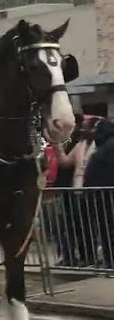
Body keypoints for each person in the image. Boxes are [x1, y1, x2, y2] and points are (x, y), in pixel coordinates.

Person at [51, 114, 101, 266]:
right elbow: (65, 161)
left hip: (93, 188)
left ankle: (90, 256)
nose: (84, 128)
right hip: (77, 189)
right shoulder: (81, 144)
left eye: (88, 126)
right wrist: (56, 145)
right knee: (76, 225)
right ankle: (81, 256)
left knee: (90, 226)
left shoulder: (100, 144)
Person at [83, 118, 114, 269]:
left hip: (104, 198)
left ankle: (110, 261)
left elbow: (90, 175)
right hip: (105, 195)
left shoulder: (102, 151)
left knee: (107, 230)